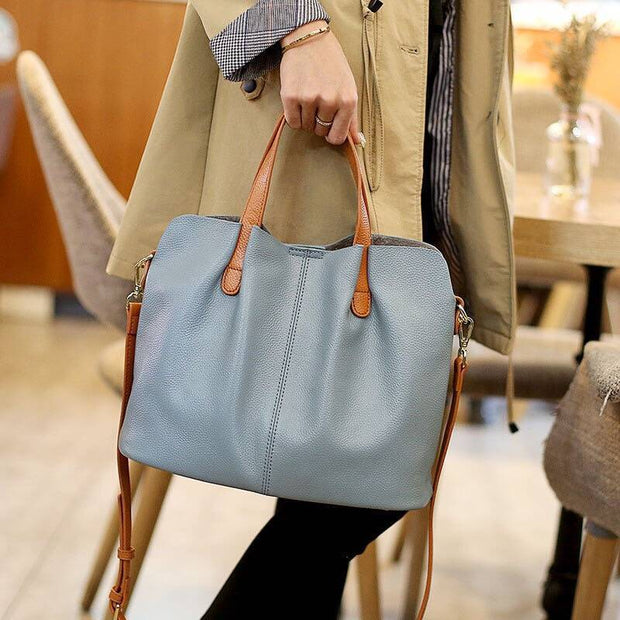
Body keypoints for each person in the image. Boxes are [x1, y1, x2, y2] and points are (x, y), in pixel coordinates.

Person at [106, 1, 516, 617]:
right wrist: (294, 29)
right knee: (356, 482)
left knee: (339, 471)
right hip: (317, 100)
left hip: (429, 108)